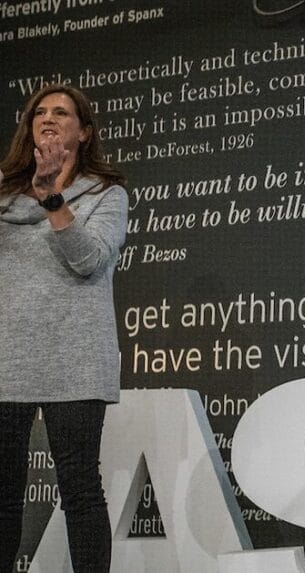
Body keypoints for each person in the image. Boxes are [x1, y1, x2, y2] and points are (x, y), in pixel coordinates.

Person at [0, 84, 128, 572]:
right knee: (2, 496)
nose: (48, 118)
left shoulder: (106, 194)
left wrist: (54, 198)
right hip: (7, 359)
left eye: (62, 112)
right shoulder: (3, 195)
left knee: (79, 489)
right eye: (40, 112)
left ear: (84, 131)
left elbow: (89, 260)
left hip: (75, 358)